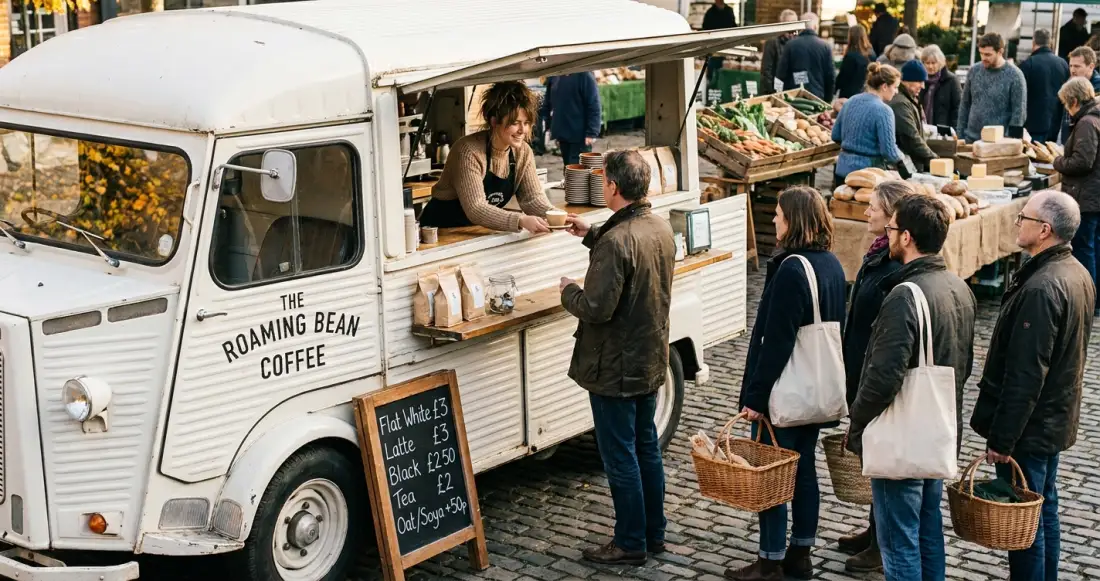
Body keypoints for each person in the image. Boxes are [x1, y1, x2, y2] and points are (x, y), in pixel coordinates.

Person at [846, 195, 977, 581]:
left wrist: (858, 425)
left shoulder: (905, 295)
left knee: (899, 541)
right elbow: (964, 364)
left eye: (891, 229)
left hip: (905, 436)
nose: (886, 235)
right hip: (935, 429)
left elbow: (883, 377)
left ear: (906, 237)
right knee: (927, 531)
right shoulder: (959, 287)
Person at [559, 150, 675, 566]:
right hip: (648, 359)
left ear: (611, 186)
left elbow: (596, 307)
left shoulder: (616, 241)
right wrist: (590, 233)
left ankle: (629, 541)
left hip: (616, 366)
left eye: (604, 180)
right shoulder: (658, 227)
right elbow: (630, 253)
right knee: (646, 448)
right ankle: (653, 532)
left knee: (621, 455)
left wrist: (568, 290)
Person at [971, 190, 1094, 581]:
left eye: (1022, 218)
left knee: (1026, 524)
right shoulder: (1076, 272)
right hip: (1052, 420)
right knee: (1045, 508)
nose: (1017, 223)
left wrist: (1002, 440)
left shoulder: (1043, 288)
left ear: (1044, 230)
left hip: (1033, 427)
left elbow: (1026, 375)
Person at [727, 186, 845, 581]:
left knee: (773, 474)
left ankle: (770, 560)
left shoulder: (793, 268)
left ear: (793, 220)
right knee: (805, 469)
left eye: (778, 214)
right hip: (814, 389)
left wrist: (755, 398)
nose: (773, 220)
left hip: (787, 393)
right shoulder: (831, 263)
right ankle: (801, 553)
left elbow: (775, 341)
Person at [836, 181, 913, 574]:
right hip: (859, 364)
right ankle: (872, 530)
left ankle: (882, 544)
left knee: (880, 455)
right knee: (870, 453)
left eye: (873, 208)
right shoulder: (877, 254)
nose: (866, 213)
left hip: (875, 369)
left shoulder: (896, 266)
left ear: (893, 217)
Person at [422, 82, 554, 233]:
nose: (522, 130)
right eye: (515, 123)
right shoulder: (468, 151)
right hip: (440, 232)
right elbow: (476, 208)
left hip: (477, 230)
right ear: (494, 121)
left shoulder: (523, 152)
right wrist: (520, 220)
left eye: (526, 123)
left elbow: (532, 199)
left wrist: (555, 215)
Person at [1052, 77, 1100, 316]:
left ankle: (1087, 300)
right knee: (1092, 247)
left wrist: (1058, 161)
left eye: (1065, 103)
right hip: (1092, 194)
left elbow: (1083, 161)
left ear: (1073, 100)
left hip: (1086, 197)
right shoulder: (1093, 119)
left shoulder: (1087, 123)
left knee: (1084, 248)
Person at [831, 63, 903, 185]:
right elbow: (889, 151)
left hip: (842, 170)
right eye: (895, 87)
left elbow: (835, 135)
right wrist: (903, 159)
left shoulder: (851, 101)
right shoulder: (884, 110)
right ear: (885, 86)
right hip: (867, 176)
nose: (896, 92)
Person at [958, 33, 1027, 142]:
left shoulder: (1015, 76)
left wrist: (1009, 141)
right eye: (981, 53)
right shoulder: (974, 71)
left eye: (988, 54)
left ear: (1000, 52)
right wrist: (960, 135)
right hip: (970, 139)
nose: (983, 58)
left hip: (998, 143)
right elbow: (964, 105)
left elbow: (1019, 114)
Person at [539, 72, 602, 166]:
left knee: (579, 171)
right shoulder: (555, 75)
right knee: (568, 169)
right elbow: (547, 103)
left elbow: (594, 105)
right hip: (562, 134)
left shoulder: (584, 75)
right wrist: (548, 126)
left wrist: (592, 133)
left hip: (579, 135)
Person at [1019, 29, 1069, 143]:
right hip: (1055, 124)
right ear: (1050, 43)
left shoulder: (1028, 64)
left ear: (1033, 42)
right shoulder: (1063, 63)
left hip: (1032, 125)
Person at [889, 61, 936, 171]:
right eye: (920, 81)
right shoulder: (900, 103)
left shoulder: (909, 99)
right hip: (904, 166)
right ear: (907, 81)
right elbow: (911, 137)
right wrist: (935, 160)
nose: (923, 86)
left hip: (912, 163)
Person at [776, 13, 836, 101]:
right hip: (817, 99)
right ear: (815, 26)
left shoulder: (790, 45)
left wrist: (778, 95)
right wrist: (828, 100)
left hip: (794, 98)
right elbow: (830, 77)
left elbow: (780, 74)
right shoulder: (825, 47)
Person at [1059, 46, 1100, 142]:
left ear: (1091, 66)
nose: (1072, 70)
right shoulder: (1071, 82)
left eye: (1077, 66)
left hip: (1087, 141)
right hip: (1068, 138)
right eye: (1071, 66)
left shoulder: (1098, 86)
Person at [919, 45, 962, 128]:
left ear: (940, 63)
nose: (930, 66)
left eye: (933, 63)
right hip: (923, 128)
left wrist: (955, 130)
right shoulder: (920, 80)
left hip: (944, 130)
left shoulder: (951, 80)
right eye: (927, 63)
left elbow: (958, 107)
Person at [761, 10, 799, 95]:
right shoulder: (772, 42)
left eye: (794, 23)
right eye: (788, 23)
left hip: (792, 91)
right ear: (782, 24)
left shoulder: (797, 43)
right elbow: (766, 71)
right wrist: (772, 93)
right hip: (776, 91)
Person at [836, 24, 876, 99]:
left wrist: (834, 89)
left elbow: (843, 77)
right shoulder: (871, 53)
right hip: (866, 92)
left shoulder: (850, 55)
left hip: (849, 94)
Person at [703, 0, 738, 86]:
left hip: (727, 46)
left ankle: (724, 86)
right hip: (714, 47)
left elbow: (733, 27)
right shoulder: (710, 12)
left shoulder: (729, 11)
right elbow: (705, 28)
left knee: (725, 71)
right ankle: (711, 87)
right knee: (712, 68)